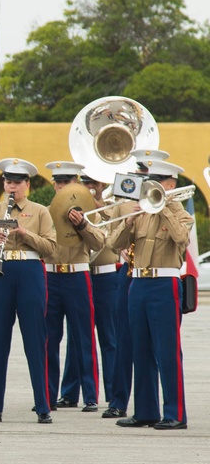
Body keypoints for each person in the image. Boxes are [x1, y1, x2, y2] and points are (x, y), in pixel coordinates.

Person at [109, 159, 192, 430]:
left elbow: (181, 238)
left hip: (163, 285)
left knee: (166, 351)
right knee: (140, 349)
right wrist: (130, 220)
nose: (150, 185)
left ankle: (175, 413)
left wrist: (164, 207)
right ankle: (145, 411)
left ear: (171, 184)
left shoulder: (180, 213)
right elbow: (114, 244)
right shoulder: (141, 212)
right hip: (137, 283)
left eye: (156, 181)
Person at [0, 158, 57, 424]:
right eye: (8, 182)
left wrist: (23, 233)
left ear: (27, 185)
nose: (12, 187)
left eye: (17, 182)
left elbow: (51, 248)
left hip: (30, 272)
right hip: (1, 273)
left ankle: (43, 405)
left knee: (35, 339)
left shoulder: (40, 211)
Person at [102, 149, 171, 419]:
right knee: (125, 339)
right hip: (128, 272)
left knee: (153, 345)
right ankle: (119, 400)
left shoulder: (166, 202)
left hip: (154, 277)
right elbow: (110, 235)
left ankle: (157, 407)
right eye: (141, 172)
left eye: (148, 174)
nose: (143, 177)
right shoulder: (123, 200)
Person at [42, 161, 104, 413]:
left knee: (84, 337)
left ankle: (90, 395)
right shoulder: (44, 212)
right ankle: (48, 394)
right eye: (59, 183)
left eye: (68, 183)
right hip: (51, 276)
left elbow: (100, 242)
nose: (62, 187)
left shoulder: (89, 211)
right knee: (49, 339)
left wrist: (82, 225)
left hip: (77, 276)